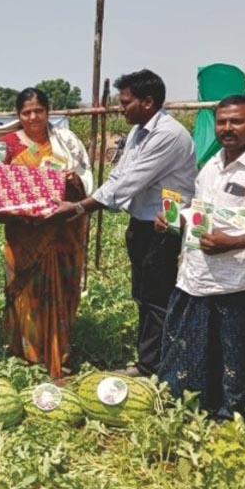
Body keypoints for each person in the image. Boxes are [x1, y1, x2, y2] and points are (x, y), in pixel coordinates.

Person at [49, 69, 196, 376]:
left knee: (157, 297)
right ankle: (151, 359)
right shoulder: (138, 133)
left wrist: (80, 207)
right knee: (144, 294)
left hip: (166, 223)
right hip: (142, 222)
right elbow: (119, 175)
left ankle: (156, 367)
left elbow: (130, 182)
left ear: (148, 101)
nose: (120, 108)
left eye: (126, 102)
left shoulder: (167, 135)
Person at [155, 96, 245, 420]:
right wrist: (178, 218)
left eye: (236, 121)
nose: (227, 128)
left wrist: (235, 241)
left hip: (237, 282)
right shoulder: (212, 164)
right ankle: (194, 413)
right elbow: (203, 210)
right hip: (197, 276)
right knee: (193, 351)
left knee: (233, 358)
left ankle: (232, 420)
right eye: (222, 122)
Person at [0, 87, 93, 379]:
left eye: (38, 111)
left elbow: (86, 183)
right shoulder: (9, 145)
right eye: (26, 112)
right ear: (18, 115)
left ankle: (59, 355)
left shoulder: (66, 142)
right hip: (24, 236)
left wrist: (72, 179)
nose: (33, 117)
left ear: (48, 112)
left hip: (62, 235)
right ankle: (27, 357)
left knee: (61, 292)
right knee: (26, 295)